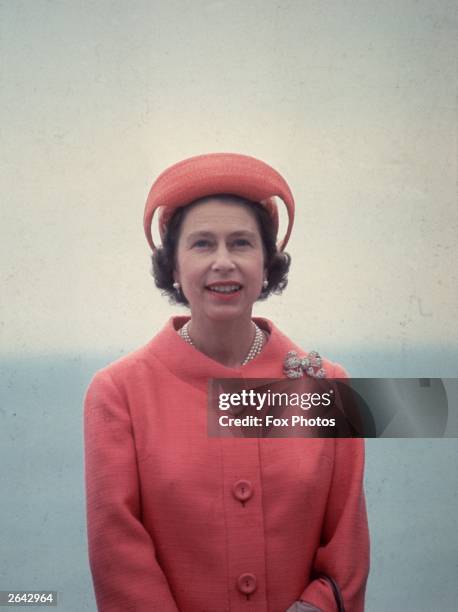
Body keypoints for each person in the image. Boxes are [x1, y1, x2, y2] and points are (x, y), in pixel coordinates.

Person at [83, 153, 370, 612]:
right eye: (201, 245)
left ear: (267, 264)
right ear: (173, 267)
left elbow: (347, 551)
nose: (223, 262)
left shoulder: (327, 385)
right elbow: (117, 556)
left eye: (241, 243)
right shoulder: (118, 393)